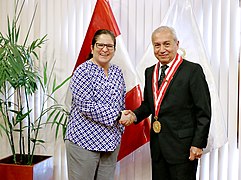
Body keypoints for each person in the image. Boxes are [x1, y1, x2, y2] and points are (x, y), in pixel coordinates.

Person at [120, 26, 211, 180]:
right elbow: (150, 104)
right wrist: (134, 115)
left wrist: (198, 144)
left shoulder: (192, 71)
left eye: (166, 44)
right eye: (157, 45)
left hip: (184, 149)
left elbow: (203, 112)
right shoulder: (150, 72)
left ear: (177, 44)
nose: (162, 49)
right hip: (158, 148)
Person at [65, 29, 127, 180]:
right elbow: (86, 105)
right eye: (100, 45)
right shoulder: (82, 71)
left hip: (110, 142)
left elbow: (121, 102)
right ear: (92, 48)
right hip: (84, 141)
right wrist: (118, 116)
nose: (105, 49)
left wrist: (125, 118)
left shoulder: (117, 72)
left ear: (114, 49)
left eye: (109, 46)